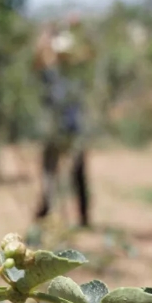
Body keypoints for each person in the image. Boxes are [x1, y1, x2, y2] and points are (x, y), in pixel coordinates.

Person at [33, 13, 94, 228]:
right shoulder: (50, 73)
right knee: (49, 173)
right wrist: (46, 34)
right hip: (54, 129)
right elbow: (38, 56)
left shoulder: (75, 73)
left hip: (73, 129)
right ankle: (45, 213)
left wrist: (77, 29)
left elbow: (89, 51)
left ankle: (83, 217)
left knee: (77, 173)